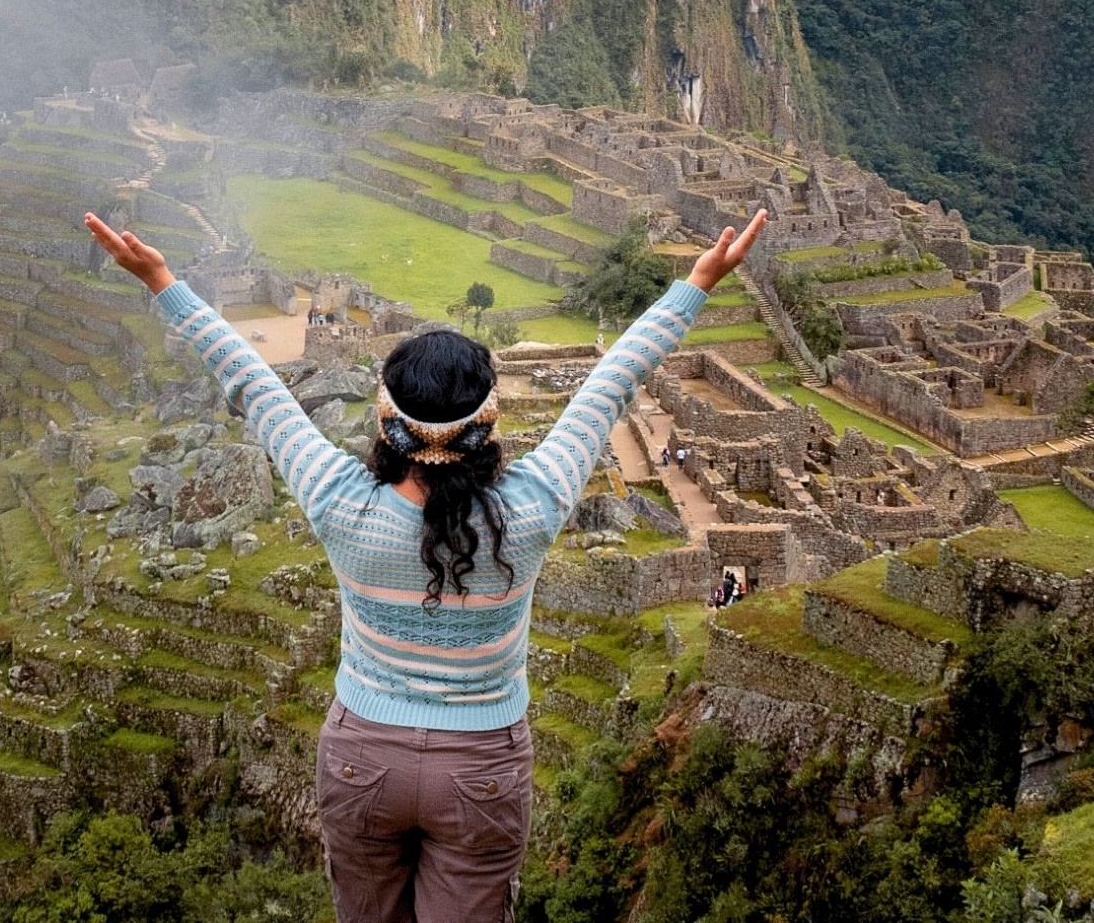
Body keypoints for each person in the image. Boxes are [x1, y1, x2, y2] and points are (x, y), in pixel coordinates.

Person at [84, 207, 766, 923]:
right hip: (482, 766)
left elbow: (255, 387)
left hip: (361, 760)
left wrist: (163, 282)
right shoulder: (530, 510)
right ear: (487, 422)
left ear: (387, 421)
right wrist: (697, 282)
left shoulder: (338, 501)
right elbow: (612, 384)